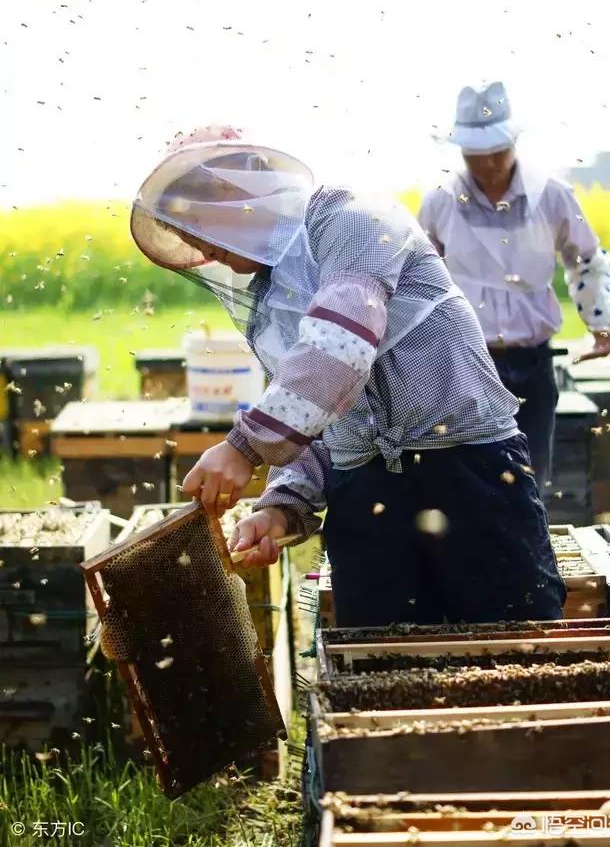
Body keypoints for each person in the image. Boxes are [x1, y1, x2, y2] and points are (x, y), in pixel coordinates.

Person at [130, 123, 565, 628]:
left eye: (197, 225)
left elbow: (342, 341)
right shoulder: (269, 305)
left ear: (232, 191)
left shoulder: (350, 217)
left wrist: (243, 447)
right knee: (380, 670)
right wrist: (280, 507)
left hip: (468, 470)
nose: (202, 251)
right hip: (365, 496)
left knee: (518, 650)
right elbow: (321, 419)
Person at [419, 81, 610, 490]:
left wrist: (602, 321)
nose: (487, 165)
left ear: (512, 143)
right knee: (471, 481)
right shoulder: (441, 201)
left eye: (496, 152)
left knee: (530, 482)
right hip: (465, 363)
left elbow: (585, 259)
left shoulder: (551, 195)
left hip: (532, 361)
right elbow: (418, 278)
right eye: (476, 155)